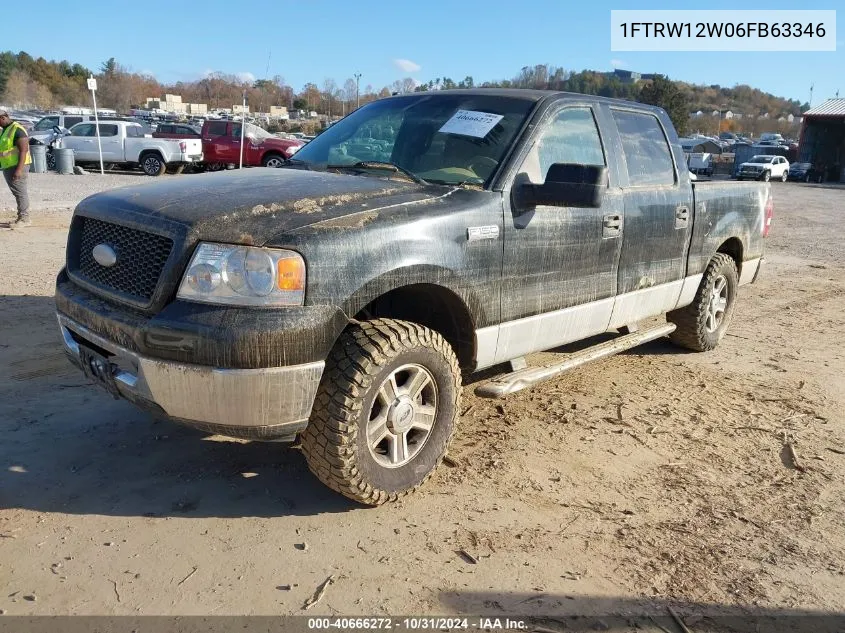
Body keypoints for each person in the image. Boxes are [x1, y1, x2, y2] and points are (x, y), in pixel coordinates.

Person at [0, 109, 32, 229]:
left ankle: (24, 218)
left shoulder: (17, 129)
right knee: (17, 192)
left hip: (18, 166)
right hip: (9, 165)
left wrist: (19, 170)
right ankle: (21, 217)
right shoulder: (6, 129)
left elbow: (24, 150)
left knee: (20, 192)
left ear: (3, 118)